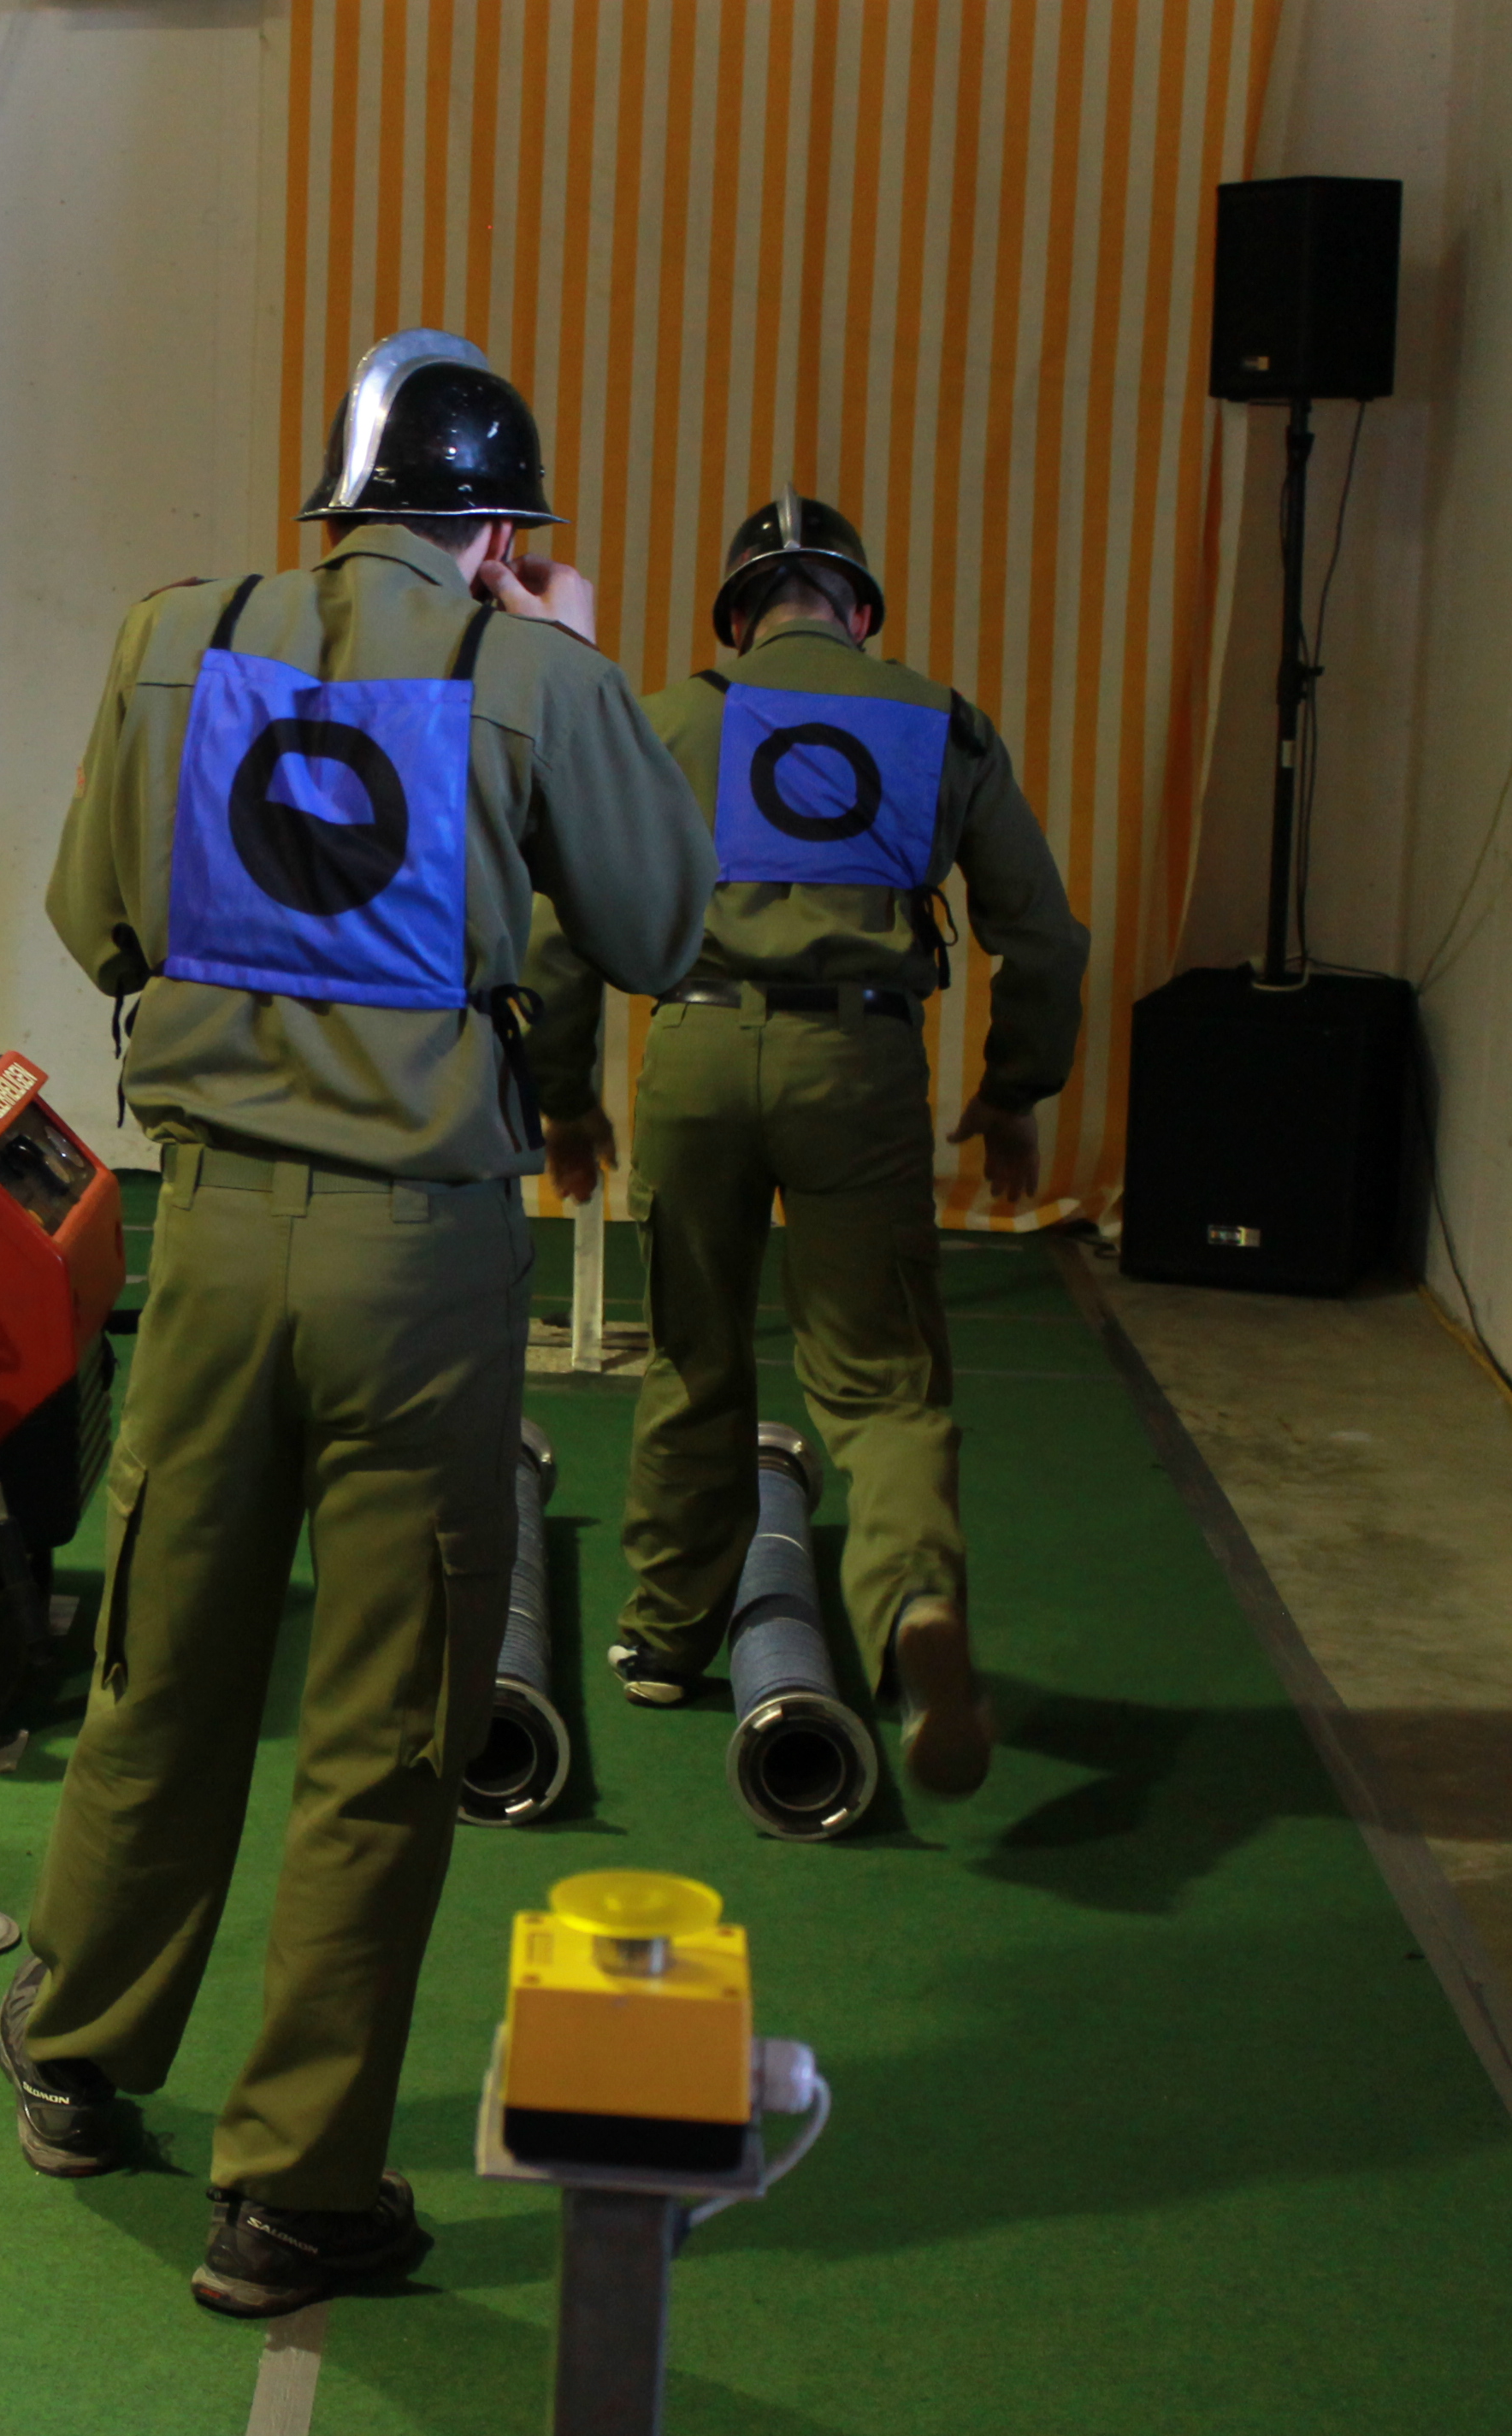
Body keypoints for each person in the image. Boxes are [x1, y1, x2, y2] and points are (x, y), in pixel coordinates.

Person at [0, 331, 712, 2319]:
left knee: (163, 1652)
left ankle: (77, 2051)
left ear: (334, 505)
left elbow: (90, 914)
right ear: (497, 533)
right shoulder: (538, 677)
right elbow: (661, 929)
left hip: (214, 1227)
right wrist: (572, 657)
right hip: (420, 1261)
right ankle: (294, 2186)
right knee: (386, 1715)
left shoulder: (175, 634)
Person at [523, 488, 1089, 1799]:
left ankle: (666, 1635)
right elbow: (1045, 938)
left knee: (694, 1348)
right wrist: (1015, 1089)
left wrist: (564, 1098)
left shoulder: (666, 720)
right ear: (861, 611)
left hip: (697, 1049)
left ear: (736, 620)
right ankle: (912, 1607)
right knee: (881, 1381)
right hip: (861, 1062)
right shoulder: (942, 722)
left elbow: (563, 923)